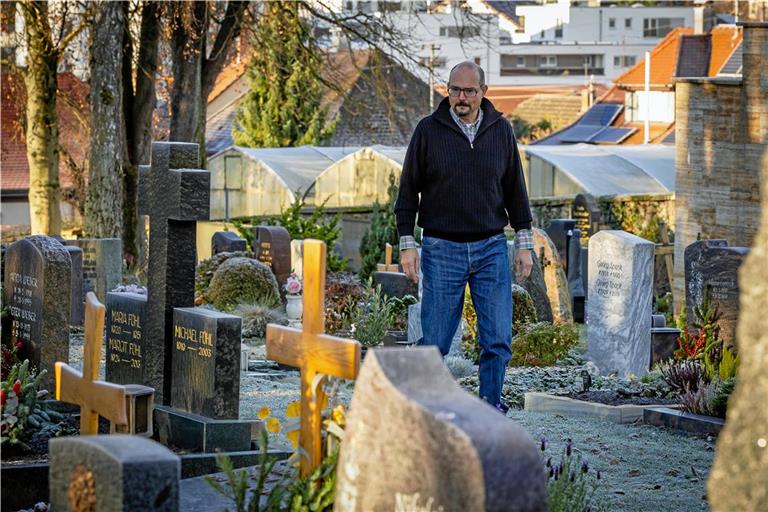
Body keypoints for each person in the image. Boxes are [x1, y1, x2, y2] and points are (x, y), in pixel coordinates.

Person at [395, 61, 534, 412]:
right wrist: (407, 244)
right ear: (447, 90)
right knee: (436, 340)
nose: (461, 97)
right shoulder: (428, 131)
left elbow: (516, 190)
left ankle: (490, 406)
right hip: (442, 248)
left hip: (490, 247)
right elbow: (408, 191)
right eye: (455, 89)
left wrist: (524, 243)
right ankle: (430, 409)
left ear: (483, 93)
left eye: (470, 91)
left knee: (497, 338)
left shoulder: (501, 130)